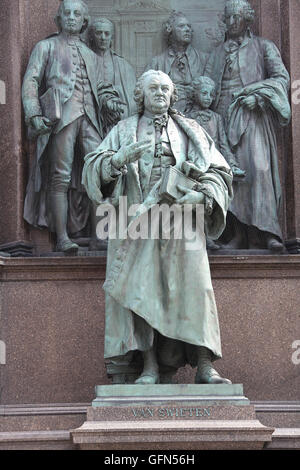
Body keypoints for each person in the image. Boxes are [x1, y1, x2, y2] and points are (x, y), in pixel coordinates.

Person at [82, 70, 233, 385]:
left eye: (166, 88)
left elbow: (219, 170)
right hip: (138, 219)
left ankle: (205, 365)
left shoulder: (192, 130)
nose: (160, 93)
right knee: (141, 291)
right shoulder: (122, 130)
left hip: (182, 220)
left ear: (173, 94)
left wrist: (201, 194)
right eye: (153, 88)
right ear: (140, 95)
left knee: (198, 288)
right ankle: (148, 367)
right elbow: (92, 170)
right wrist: (117, 160)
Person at [22, 0, 122, 253]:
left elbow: (101, 88)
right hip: (61, 119)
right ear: (59, 18)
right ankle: (63, 237)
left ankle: (99, 235)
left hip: (90, 119)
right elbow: (31, 81)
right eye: (66, 13)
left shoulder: (90, 54)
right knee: (60, 177)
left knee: (99, 173)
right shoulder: (46, 47)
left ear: (84, 20)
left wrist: (110, 102)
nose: (71, 17)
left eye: (77, 14)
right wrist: (34, 114)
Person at [204, 0, 291, 252]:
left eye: (236, 18)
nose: (231, 23)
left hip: (253, 117)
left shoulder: (263, 46)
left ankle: (267, 234)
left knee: (259, 171)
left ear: (247, 20)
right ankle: (237, 235)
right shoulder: (217, 53)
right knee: (231, 176)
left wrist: (260, 97)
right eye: (228, 18)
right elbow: (207, 84)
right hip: (222, 119)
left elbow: (281, 78)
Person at [187, 75, 245, 250]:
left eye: (211, 94)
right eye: (203, 93)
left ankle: (235, 236)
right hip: (196, 163)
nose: (207, 97)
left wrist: (232, 165)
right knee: (200, 199)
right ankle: (204, 236)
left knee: (228, 196)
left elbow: (224, 144)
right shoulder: (187, 117)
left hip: (215, 163)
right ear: (194, 94)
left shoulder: (217, 118)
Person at [145, 11, 206, 113]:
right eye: (181, 26)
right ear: (170, 30)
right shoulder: (156, 63)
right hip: (168, 114)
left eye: (189, 27)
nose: (187, 30)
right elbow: (146, 92)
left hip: (197, 115)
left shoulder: (204, 59)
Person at [88, 17, 137, 126]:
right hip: (92, 121)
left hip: (119, 120)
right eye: (98, 33)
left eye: (107, 33)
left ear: (112, 37)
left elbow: (133, 100)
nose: (103, 37)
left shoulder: (124, 66)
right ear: (91, 36)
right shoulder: (84, 62)